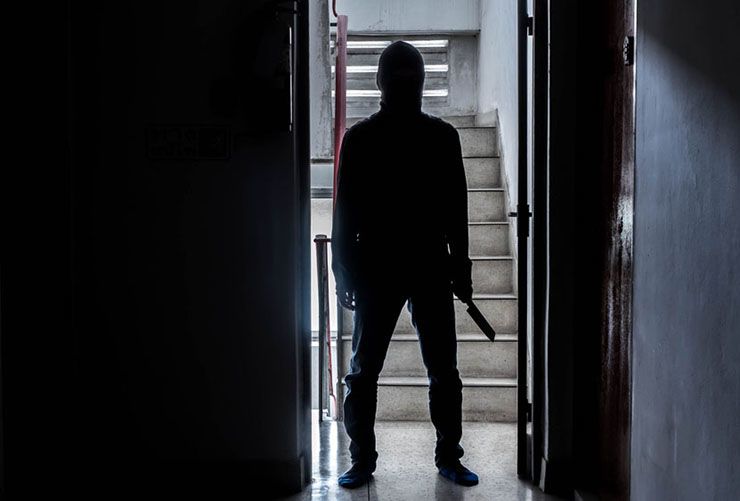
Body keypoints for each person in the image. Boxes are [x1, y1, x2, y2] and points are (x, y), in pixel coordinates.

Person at [331, 41, 478, 489]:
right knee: (410, 371)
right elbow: (346, 212)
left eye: (407, 77)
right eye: (403, 77)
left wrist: (343, 269)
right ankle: (426, 457)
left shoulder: (371, 137)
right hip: (406, 264)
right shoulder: (434, 136)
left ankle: (369, 460)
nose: (405, 85)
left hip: (396, 265)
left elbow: (454, 209)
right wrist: (343, 269)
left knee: (391, 371)